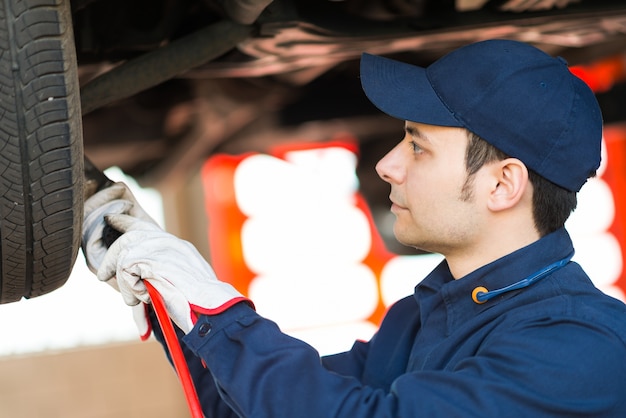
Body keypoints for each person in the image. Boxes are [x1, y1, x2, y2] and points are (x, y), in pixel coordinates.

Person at [82, 39, 626, 417]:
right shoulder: (425, 317)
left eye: (418, 146)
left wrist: (211, 308)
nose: (387, 165)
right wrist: (164, 287)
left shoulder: (581, 345)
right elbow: (254, 407)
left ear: (503, 185)